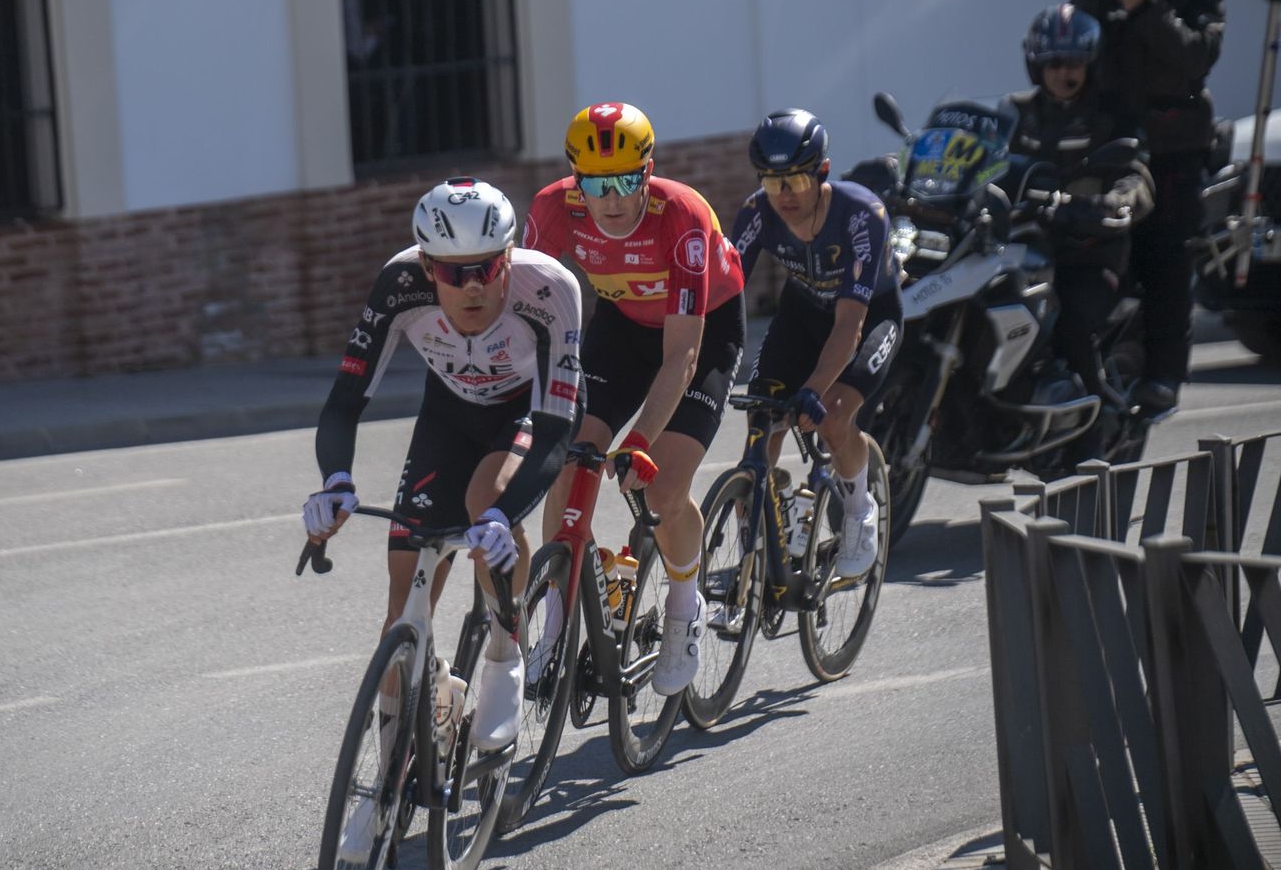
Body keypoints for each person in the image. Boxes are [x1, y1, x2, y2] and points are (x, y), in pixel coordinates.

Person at [304, 179, 583, 767]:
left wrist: (505, 518)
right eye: (455, 274)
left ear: (508, 256)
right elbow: (345, 400)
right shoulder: (400, 284)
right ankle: (386, 784)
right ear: (428, 267)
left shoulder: (550, 289)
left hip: (526, 414)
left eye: (486, 267)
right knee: (402, 610)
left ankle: (505, 656)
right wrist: (334, 482)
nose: (474, 286)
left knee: (488, 501)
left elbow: (558, 429)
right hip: (448, 416)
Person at [526, 102, 746, 697]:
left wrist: (643, 440)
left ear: (648, 171)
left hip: (701, 332)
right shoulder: (553, 209)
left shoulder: (682, 216)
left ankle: (683, 605)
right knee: (568, 463)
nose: (613, 198)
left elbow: (682, 357)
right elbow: (527, 317)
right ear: (576, 179)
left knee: (661, 487)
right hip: (621, 329)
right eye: (596, 184)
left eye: (626, 180)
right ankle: (555, 621)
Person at [1071, 0, 1224, 412]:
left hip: (1174, 151)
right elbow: (1075, 52)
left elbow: (1193, 58)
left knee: (1165, 259)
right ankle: (1079, 367)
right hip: (1110, 146)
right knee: (1088, 247)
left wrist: (1142, 6)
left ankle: (1163, 377)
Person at [730, 109, 901, 578]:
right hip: (803, 312)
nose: (783, 195)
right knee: (761, 424)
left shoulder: (861, 215)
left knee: (834, 413)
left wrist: (814, 388)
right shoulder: (756, 212)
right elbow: (721, 294)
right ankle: (759, 547)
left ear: (821, 172)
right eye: (771, 181)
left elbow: (850, 325)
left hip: (869, 316)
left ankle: (859, 509)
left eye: (794, 181)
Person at [1007, 4, 1155, 458]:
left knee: (1068, 323)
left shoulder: (1110, 117)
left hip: (1089, 252)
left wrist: (1114, 203)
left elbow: (1138, 177)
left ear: (1090, 64)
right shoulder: (1016, 113)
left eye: (1071, 63)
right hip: (1024, 246)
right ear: (1037, 64)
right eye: (1053, 62)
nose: (1062, 73)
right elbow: (980, 159)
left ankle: (1094, 434)